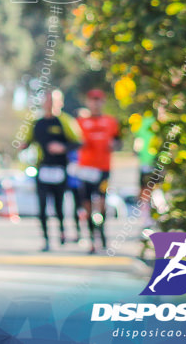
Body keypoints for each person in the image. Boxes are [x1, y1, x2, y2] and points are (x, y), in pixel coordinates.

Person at [24, 89, 80, 252]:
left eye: (53, 100)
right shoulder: (37, 123)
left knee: (58, 205)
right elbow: (28, 140)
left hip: (60, 168)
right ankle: (46, 239)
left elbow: (78, 142)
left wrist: (62, 148)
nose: (49, 103)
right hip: (42, 168)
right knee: (42, 205)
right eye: (47, 100)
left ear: (59, 103)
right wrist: (22, 145)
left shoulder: (65, 121)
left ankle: (62, 232)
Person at [76, 88, 121, 254]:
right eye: (92, 99)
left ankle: (102, 236)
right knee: (87, 205)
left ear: (103, 102)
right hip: (86, 169)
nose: (95, 103)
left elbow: (118, 141)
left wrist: (114, 145)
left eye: (98, 99)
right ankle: (90, 239)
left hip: (103, 169)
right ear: (88, 102)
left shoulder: (111, 121)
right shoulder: (80, 122)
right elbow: (73, 142)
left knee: (101, 203)